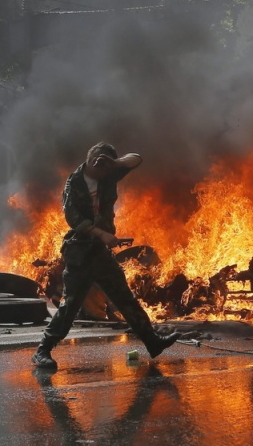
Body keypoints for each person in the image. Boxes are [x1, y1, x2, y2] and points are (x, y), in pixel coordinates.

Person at [31, 142, 179, 370]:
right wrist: (103, 235)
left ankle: (152, 342)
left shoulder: (109, 173)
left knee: (124, 298)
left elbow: (137, 158)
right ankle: (43, 350)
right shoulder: (74, 184)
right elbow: (75, 221)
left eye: (110, 168)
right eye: (103, 167)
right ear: (92, 162)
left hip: (100, 254)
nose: (106, 173)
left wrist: (115, 163)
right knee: (70, 306)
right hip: (80, 252)